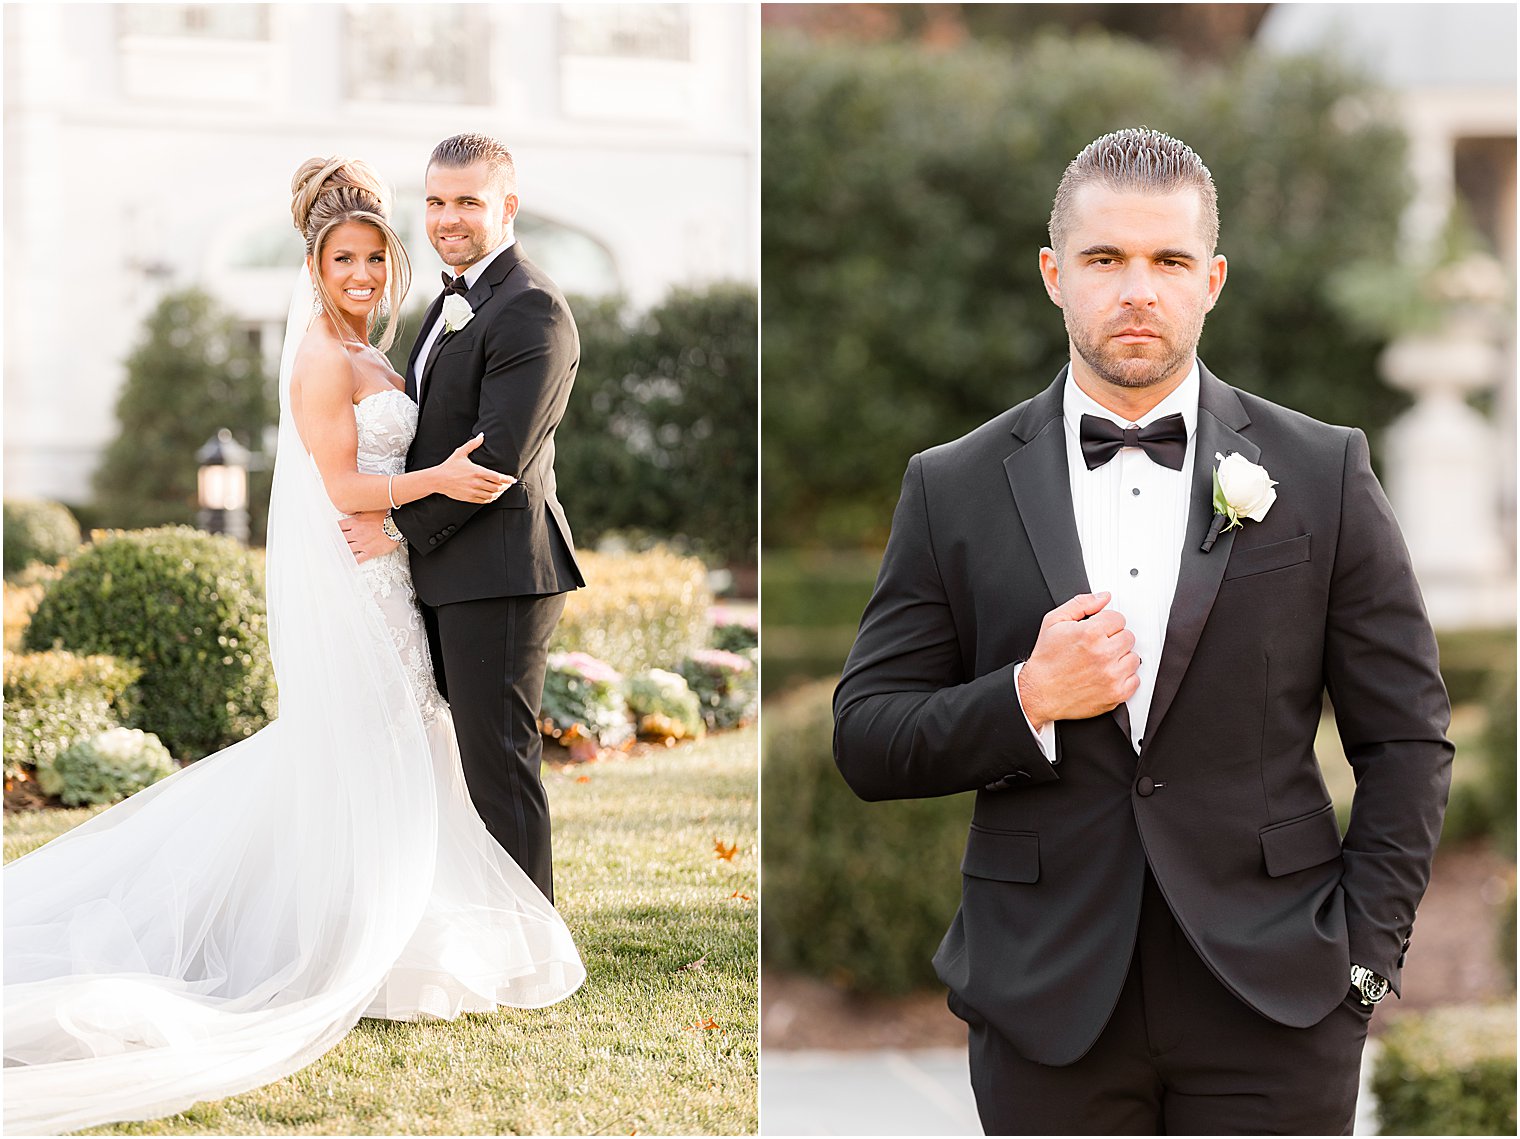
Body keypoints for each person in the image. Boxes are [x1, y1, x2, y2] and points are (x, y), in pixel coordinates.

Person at [833, 128, 1452, 1135]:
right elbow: (865, 736)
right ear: (1052, 275)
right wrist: (1024, 697)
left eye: (1166, 260)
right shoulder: (950, 484)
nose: (1136, 289)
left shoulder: (1322, 470)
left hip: (1277, 998)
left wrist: (1363, 966)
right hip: (1043, 1001)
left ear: (1210, 279)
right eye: (1103, 258)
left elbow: (1405, 739)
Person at [3, 156, 585, 1136]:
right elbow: (345, 485)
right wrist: (412, 498)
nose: (361, 272)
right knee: (393, 750)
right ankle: (396, 935)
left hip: (421, 575)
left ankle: (461, 927)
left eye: (373, 255)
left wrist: (404, 518)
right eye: (343, 258)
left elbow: (478, 454)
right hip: (380, 578)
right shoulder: (325, 352)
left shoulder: (440, 326)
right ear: (313, 265)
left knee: (439, 755)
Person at [341, 133, 584, 902]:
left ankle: (531, 946)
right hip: (452, 571)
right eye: (437, 201)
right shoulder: (453, 301)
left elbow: (491, 464)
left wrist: (392, 530)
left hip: (502, 572)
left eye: (468, 202)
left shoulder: (531, 309)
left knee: (499, 766)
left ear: (506, 206)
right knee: (461, 763)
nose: (449, 217)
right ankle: (481, 926)